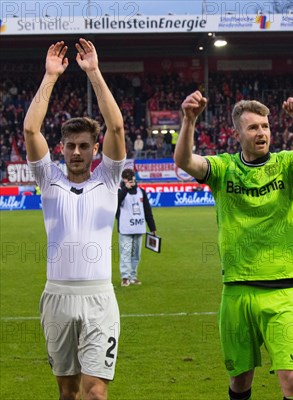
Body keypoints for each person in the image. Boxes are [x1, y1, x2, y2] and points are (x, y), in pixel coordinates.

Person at [174, 92, 293, 400]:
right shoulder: (223, 169)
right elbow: (183, 161)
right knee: (240, 383)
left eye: (265, 127)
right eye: (253, 128)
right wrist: (189, 120)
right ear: (236, 134)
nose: (261, 133)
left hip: (283, 291)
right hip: (237, 290)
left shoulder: (286, 164)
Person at [23, 39, 126, 399]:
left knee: (95, 391)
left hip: (100, 298)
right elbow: (30, 131)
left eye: (84, 145)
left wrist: (94, 73)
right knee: (67, 392)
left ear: (95, 149)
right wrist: (50, 76)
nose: (77, 152)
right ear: (62, 148)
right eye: (71, 146)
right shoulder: (48, 179)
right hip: (57, 297)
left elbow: (116, 128)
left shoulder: (108, 178)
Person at [116, 168, 157, 287]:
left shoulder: (141, 191)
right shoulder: (120, 191)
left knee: (136, 255)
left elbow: (147, 210)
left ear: (134, 177)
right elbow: (116, 203)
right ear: (123, 179)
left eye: (131, 177)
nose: (129, 180)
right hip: (125, 228)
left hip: (139, 227)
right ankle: (125, 277)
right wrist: (125, 188)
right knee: (125, 253)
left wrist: (152, 227)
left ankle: (133, 276)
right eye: (127, 178)